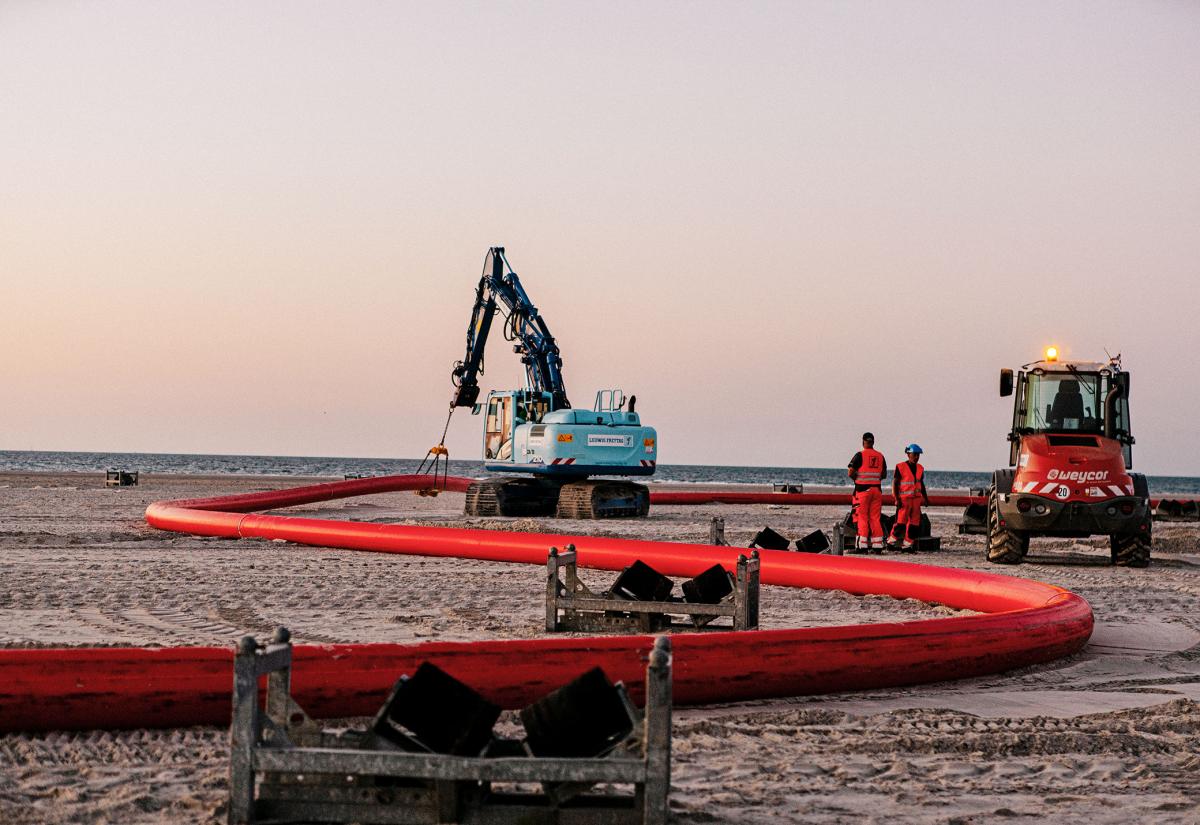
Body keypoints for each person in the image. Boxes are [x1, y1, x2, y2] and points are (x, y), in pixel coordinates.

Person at [847, 432, 887, 552]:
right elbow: (884, 474)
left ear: (863, 442)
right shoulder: (880, 456)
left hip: (863, 491)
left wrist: (857, 479)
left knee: (862, 517)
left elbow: (850, 472)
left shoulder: (860, 455)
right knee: (875, 518)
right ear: (873, 442)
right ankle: (877, 545)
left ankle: (862, 546)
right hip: (876, 490)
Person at [889, 444, 930, 549]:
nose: (916, 457)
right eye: (914, 454)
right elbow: (895, 483)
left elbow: (921, 484)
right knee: (900, 523)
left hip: (916, 500)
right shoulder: (900, 467)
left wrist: (925, 498)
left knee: (914, 524)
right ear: (908, 454)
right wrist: (897, 499)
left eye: (918, 455)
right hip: (904, 500)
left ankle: (907, 545)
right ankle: (891, 541)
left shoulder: (920, 468)